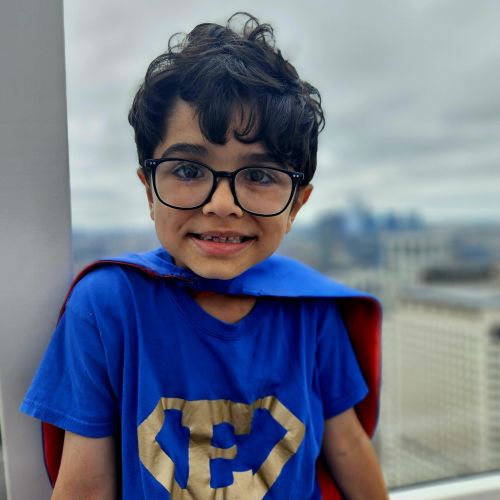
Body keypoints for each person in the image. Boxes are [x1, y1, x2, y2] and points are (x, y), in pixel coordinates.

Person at [21, 12, 388, 499]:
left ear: (297, 203)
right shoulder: (107, 308)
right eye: (189, 170)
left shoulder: (311, 311)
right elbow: (85, 488)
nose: (222, 204)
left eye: (258, 176)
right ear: (149, 189)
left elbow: (347, 448)